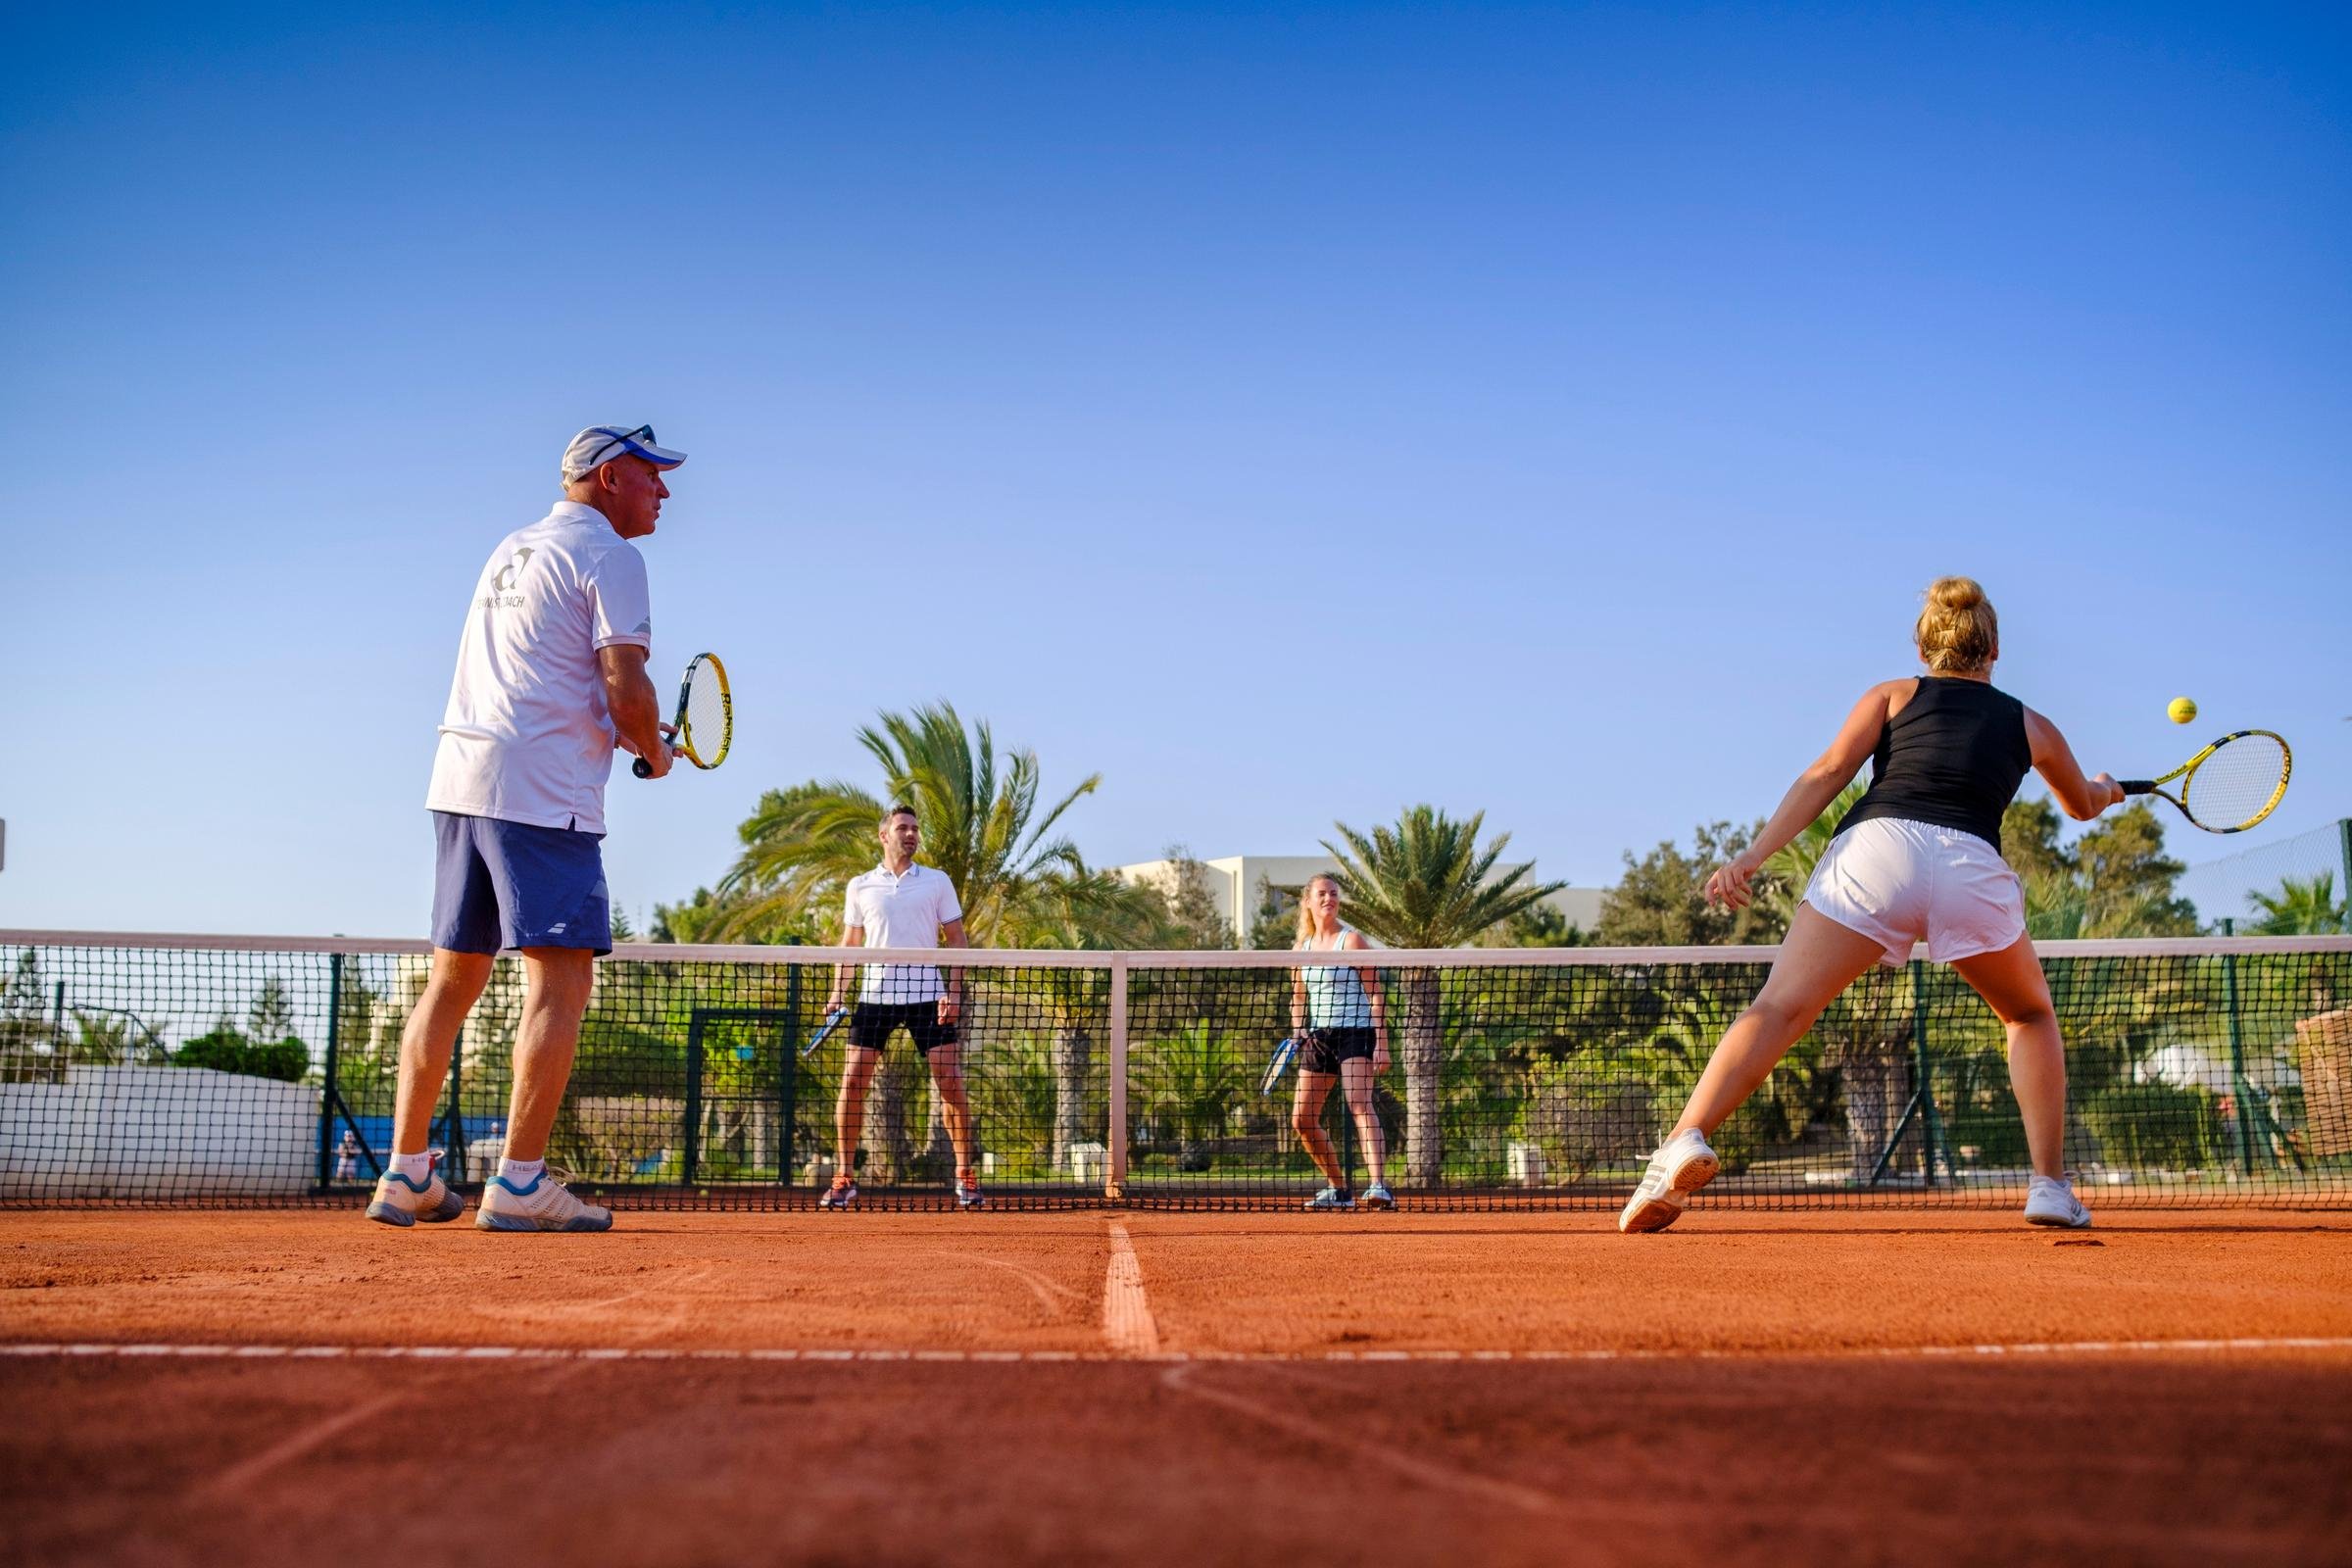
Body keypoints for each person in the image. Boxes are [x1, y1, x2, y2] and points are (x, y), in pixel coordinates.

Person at [1619, 576, 2124, 1236]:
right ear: (1994, 648)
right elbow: (2081, 804)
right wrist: (2108, 792)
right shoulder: (2032, 725)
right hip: (1972, 864)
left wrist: (1750, 858)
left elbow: (1827, 773)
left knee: (1778, 1009)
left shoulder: (1892, 695)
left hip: (1878, 852)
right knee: (2028, 1014)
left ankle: (1687, 1136)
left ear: (1924, 649)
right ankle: (2051, 1186)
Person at [367, 424, 686, 1234]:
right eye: (654, 477)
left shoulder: (514, 547)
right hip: (542, 794)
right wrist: (653, 750)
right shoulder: (613, 555)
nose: (666, 492)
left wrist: (635, 737)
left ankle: (405, 1175)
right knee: (562, 981)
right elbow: (625, 683)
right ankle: (519, 1181)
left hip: (459, 780)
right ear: (612, 477)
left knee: (453, 981)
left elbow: (541, 676)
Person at [819, 805, 983, 1208]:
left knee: (950, 1083)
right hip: (875, 997)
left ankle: (965, 1175)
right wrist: (838, 991)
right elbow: (851, 945)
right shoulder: (860, 886)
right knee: (853, 1082)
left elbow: (957, 941)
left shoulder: (937, 882)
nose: (910, 834)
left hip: (928, 994)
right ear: (884, 836)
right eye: (902, 828)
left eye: (914, 828)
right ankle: (844, 1177)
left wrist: (955, 994)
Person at [1290, 874, 1395, 1210]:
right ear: (1308, 901)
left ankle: (1378, 1186)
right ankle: (1339, 1189)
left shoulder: (1352, 942)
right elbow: (1298, 998)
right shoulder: (1300, 949)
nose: (1328, 899)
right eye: (1321, 894)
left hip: (1356, 1031)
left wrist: (1382, 1043)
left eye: (1333, 894)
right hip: (1318, 1037)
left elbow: (1376, 994)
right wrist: (1298, 1029)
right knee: (1302, 1120)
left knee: (1360, 1103)